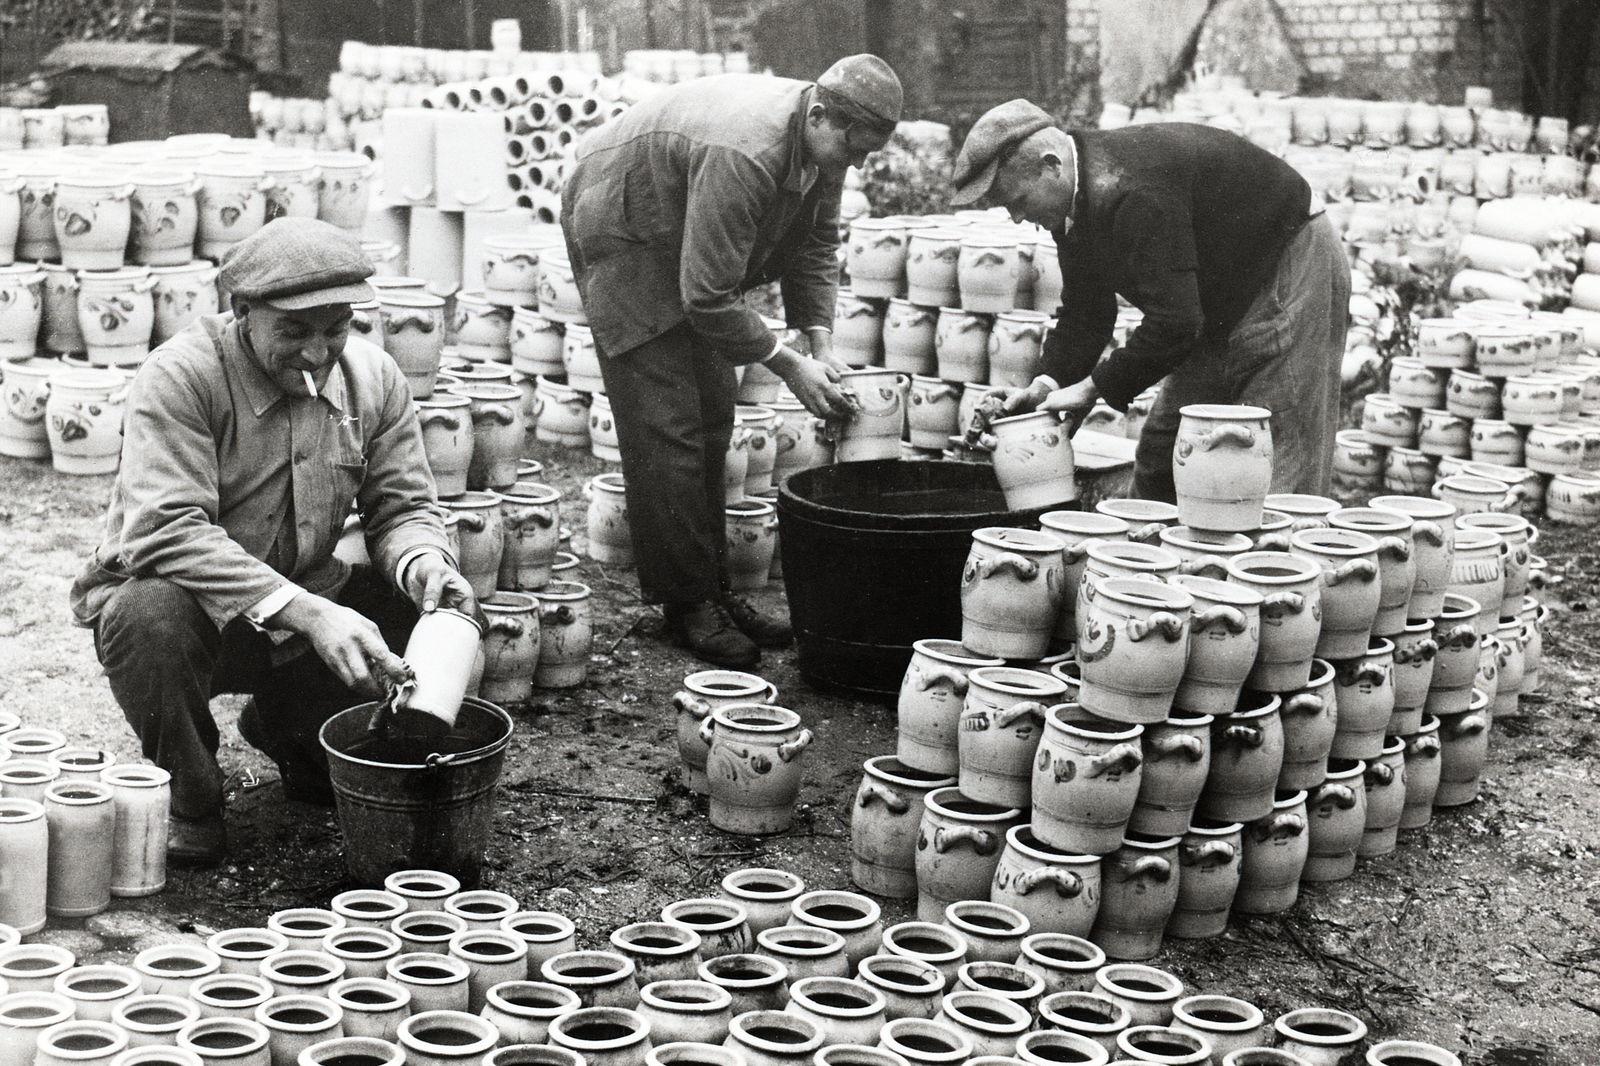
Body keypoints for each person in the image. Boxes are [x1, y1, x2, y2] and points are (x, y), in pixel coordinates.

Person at [69, 217, 476, 866]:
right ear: (242, 312)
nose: (318, 352)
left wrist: (422, 560)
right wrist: (309, 613)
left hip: (308, 615)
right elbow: (163, 530)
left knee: (422, 609)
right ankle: (193, 797)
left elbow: (401, 507)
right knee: (145, 617)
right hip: (200, 615)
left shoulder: (374, 378)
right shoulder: (181, 377)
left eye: (336, 327)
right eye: (293, 330)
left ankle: (290, 729)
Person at [560, 54, 903, 669]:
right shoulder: (746, 151)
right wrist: (788, 365)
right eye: (853, 150)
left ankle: (712, 589)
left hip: (681, 219)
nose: (856, 165)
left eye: (867, 154)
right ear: (819, 114)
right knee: (667, 427)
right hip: (623, 220)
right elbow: (709, 297)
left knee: (715, 414)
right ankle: (689, 604)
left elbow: (817, 242)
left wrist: (818, 341)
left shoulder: (828, 140)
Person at [950, 100, 1350, 500]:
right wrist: (1045, 385)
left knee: (1270, 461)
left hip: (1288, 261)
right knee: (1166, 452)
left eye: (1018, 202)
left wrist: (1092, 389)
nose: (1018, 218)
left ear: (1051, 165)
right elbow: (1086, 314)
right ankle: (1151, 559)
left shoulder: (1134, 191)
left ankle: (1274, 557)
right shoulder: (1073, 199)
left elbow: (1175, 324)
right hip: (1217, 294)